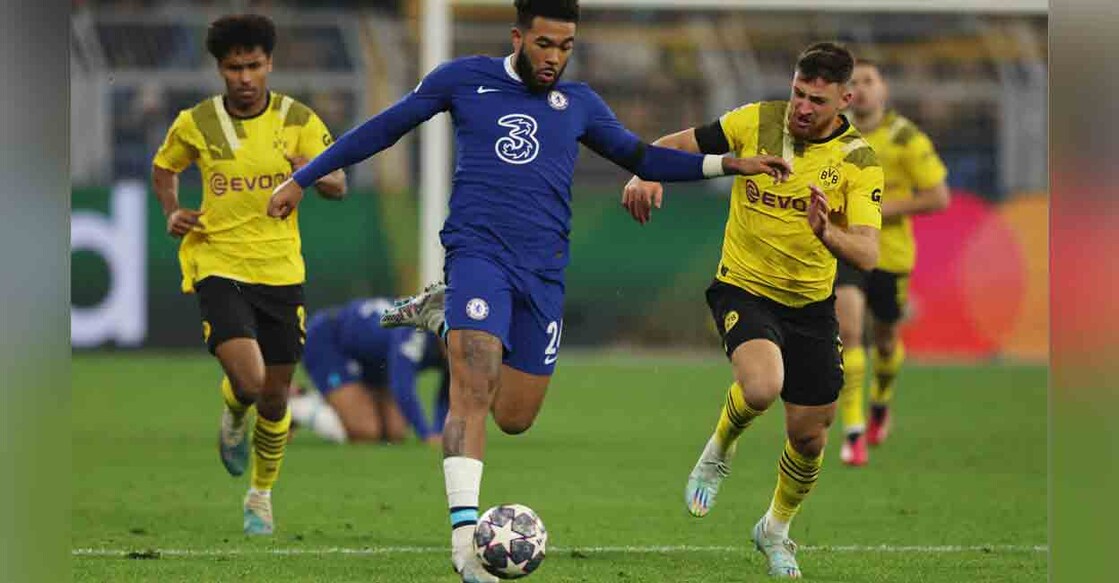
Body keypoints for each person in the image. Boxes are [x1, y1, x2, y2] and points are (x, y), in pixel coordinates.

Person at [267, 1, 791, 580]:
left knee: (515, 416)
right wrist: (301, 178)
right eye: (545, 44)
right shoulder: (463, 79)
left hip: (542, 275)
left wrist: (728, 165)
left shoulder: (581, 104)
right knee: (472, 383)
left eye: (566, 47)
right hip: (477, 254)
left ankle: (442, 319)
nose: (554, 58)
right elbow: (381, 129)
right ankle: (465, 547)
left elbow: (641, 157)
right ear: (518, 36)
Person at [621, 42, 883, 578]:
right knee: (762, 385)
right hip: (744, 287)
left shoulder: (859, 160)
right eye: (797, 93)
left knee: (809, 438)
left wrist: (824, 231)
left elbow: (868, 253)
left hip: (811, 306)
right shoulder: (756, 122)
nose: (802, 108)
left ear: (846, 99)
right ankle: (720, 447)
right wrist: (644, 172)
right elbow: (671, 145)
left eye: (816, 100)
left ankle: (775, 530)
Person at [150, 13, 346, 536]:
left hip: (281, 271)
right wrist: (172, 209)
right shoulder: (197, 122)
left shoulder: (297, 119)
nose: (243, 77)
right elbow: (164, 167)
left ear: (270, 64)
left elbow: (339, 183)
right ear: (219, 69)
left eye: (253, 66)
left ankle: (260, 495)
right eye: (234, 67)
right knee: (251, 381)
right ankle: (235, 413)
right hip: (219, 262)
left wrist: (305, 173)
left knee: (278, 397)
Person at [833, 59, 950, 465]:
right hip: (847, 249)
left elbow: (938, 196)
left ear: (883, 89)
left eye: (868, 81)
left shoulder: (905, 138)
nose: (861, 89)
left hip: (891, 254)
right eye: (853, 83)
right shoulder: (834, 135)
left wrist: (880, 209)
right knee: (849, 332)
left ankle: (880, 402)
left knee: (885, 340)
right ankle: (853, 432)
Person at [289, 297, 449, 445]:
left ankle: (341, 400)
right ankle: (299, 404)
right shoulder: (414, 329)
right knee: (366, 431)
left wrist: (439, 431)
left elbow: (449, 386)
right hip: (329, 341)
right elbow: (402, 385)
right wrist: (426, 435)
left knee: (395, 433)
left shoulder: (458, 341)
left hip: (372, 362)